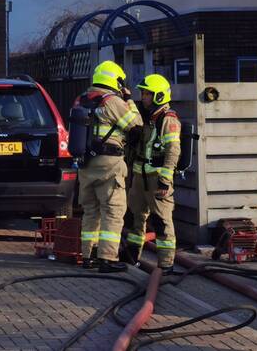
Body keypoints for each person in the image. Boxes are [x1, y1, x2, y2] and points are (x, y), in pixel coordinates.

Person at [74, 60, 142, 272]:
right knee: (113, 211)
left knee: (90, 211)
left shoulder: (81, 99)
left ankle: (88, 256)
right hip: (109, 164)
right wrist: (129, 100)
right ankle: (107, 259)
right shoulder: (112, 101)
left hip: (85, 164)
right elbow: (136, 126)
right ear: (116, 81)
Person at [123, 74, 181, 271]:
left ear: (158, 96)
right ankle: (131, 257)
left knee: (161, 222)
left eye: (147, 94)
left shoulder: (168, 119)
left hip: (157, 180)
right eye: (143, 93)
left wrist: (165, 180)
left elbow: (173, 150)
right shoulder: (146, 116)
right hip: (139, 178)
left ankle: (166, 265)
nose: (143, 97)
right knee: (134, 219)